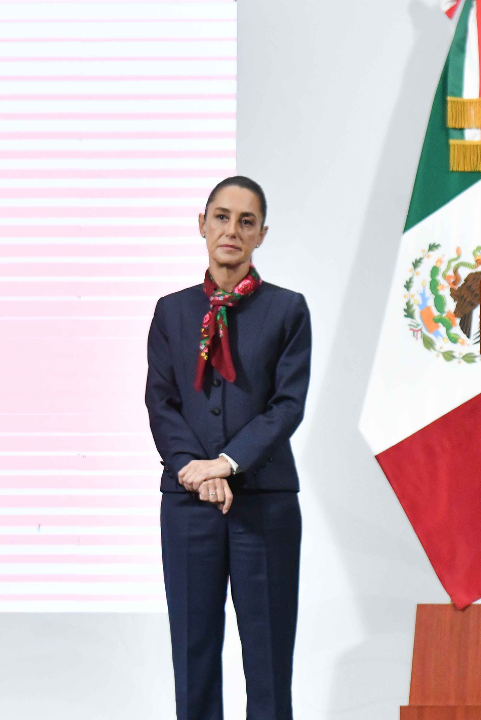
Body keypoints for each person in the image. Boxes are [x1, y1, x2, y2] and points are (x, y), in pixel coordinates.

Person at [146, 176, 311, 719]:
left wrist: (226, 463)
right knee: (192, 657)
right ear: (202, 224)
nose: (231, 230)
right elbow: (161, 401)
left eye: (246, 221)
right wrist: (194, 469)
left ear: (261, 234)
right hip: (188, 505)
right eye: (221, 217)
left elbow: (287, 405)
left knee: (268, 661)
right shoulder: (171, 312)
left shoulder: (287, 310)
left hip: (265, 505)